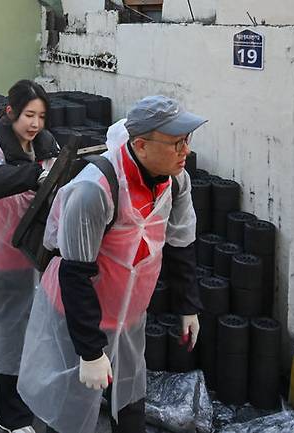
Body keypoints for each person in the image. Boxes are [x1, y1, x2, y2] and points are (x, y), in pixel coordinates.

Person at [17, 95, 205, 433]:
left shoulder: (175, 181)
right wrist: (89, 352)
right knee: (71, 411)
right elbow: (74, 276)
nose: (185, 151)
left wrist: (188, 305)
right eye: (176, 142)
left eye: (187, 140)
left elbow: (180, 245)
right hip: (75, 316)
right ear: (141, 145)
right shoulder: (95, 189)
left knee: (130, 401)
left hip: (128, 315)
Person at [0, 80, 58, 433]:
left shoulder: (48, 148)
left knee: (40, 336)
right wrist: (35, 174)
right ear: (10, 113)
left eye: (41, 116)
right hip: (1, 258)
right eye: (28, 115)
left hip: (40, 257)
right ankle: (12, 417)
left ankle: (38, 400)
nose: (35, 124)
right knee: (10, 340)